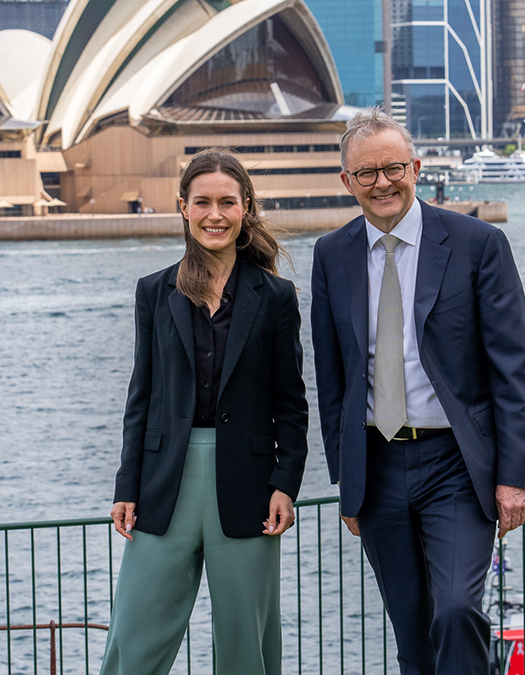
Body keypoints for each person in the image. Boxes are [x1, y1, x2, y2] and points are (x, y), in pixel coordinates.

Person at [310, 107, 525, 675]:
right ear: (347, 182)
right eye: (366, 173)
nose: (382, 182)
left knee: (458, 610)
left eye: (393, 168)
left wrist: (512, 477)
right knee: (411, 626)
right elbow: (332, 376)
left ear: (416, 166)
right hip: (377, 464)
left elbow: (514, 368)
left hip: (457, 466)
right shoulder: (331, 255)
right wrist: (348, 482)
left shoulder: (477, 243)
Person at [101, 150, 309, 675]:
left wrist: (286, 482)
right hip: (163, 480)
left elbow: (291, 401)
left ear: (245, 209)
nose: (214, 214)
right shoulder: (154, 291)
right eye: (203, 203)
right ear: (183, 208)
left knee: (247, 645)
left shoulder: (277, 297)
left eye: (226, 202)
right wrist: (127, 485)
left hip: (250, 483)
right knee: (136, 634)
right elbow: (141, 395)